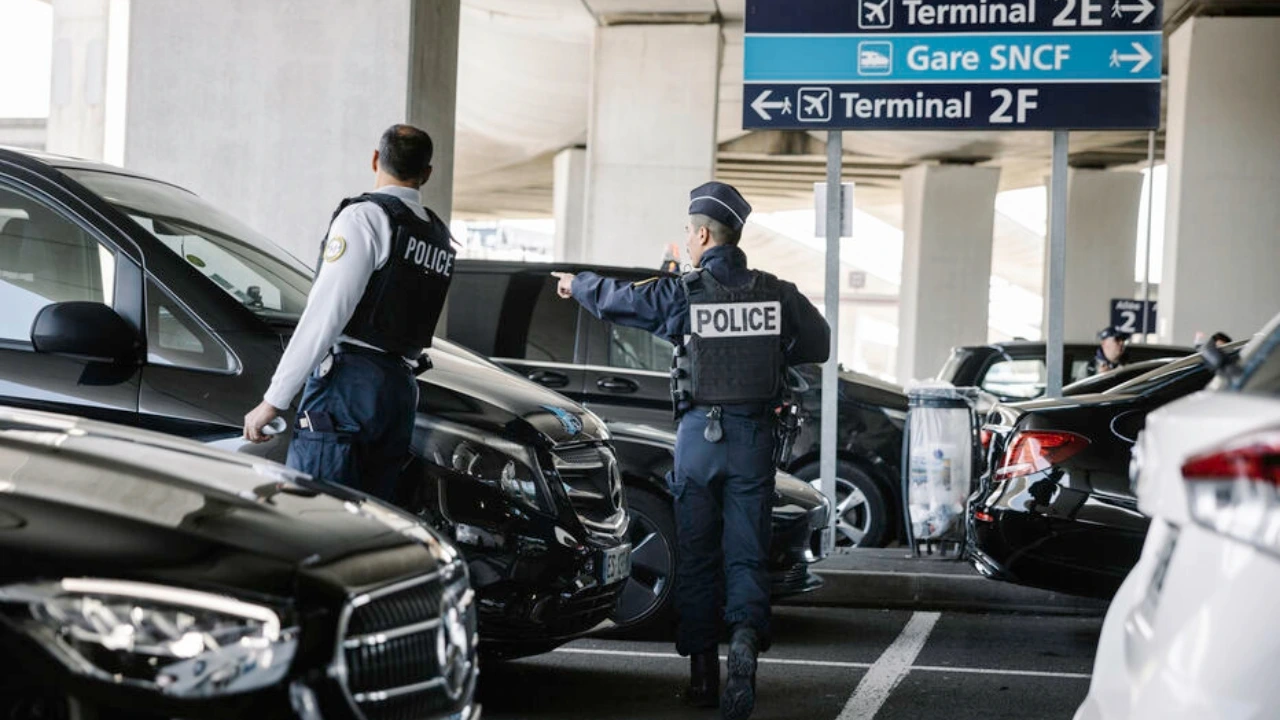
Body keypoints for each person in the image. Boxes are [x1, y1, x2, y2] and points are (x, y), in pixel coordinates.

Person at [551, 182, 829, 720]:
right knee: (746, 554)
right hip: (752, 441)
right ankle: (745, 643)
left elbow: (622, 302)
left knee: (699, 558)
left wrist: (576, 284)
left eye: (689, 233)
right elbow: (817, 343)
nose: (688, 240)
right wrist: (769, 351)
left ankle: (704, 676)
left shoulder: (686, 293)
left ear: (702, 234)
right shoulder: (777, 292)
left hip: (699, 440)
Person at [243, 124, 455, 502]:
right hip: (399, 392)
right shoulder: (436, 235)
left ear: (375, 159)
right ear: (426, 174)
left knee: (316, 515)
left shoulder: (365, 218)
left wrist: (273, 401)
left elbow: (326, 315)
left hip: (348, 389)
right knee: (372, 521)